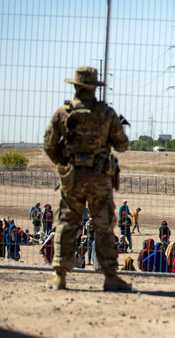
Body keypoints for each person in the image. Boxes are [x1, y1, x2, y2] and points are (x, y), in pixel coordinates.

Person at [43, 66, 131, 291]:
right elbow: (122, 145)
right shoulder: (107, 113)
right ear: (94, 88)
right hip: (100, 177)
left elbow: (49, 145)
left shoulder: (63, 113)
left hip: (72, 177)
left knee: (67, 223)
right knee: (103, 226)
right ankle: (110, 276)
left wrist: (64, 162)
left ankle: (60, 276)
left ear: (75, 86)